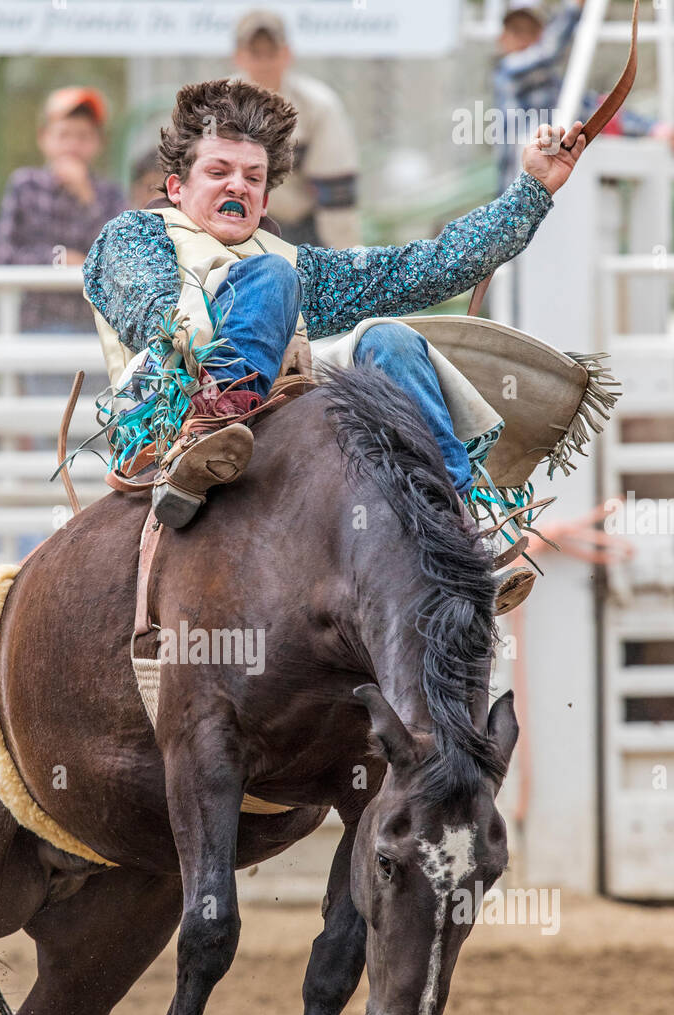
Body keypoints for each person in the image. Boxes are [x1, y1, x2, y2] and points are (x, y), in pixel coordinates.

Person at [83, 79, 585, 611]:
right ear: (177, 187)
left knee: (389, 339)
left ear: (266, 197)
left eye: (253, 178)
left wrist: (532, 189)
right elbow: (151, 312)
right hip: (170, 409)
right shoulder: (137, 234)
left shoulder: (295, 263)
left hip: (277, 407)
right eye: (218, 172)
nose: (239, 186)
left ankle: (455, 524)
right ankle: (206, 434)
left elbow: (425, 267)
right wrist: (237, 312)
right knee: (271, 277)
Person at [0, 86, 126, 401]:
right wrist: (60, 258)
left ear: (98, 143)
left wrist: (86, 197)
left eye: (83, 136)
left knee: (94, 424)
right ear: (44, 138)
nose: (73, 145)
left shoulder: (109, 195)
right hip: (40, 324)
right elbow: (4, 254)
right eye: (64, 134)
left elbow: (122, 255)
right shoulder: (24, 186)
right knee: (49, 425)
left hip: (99, 328)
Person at [495, 3, 674, 194]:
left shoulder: (543, 85)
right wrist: (574, 7)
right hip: (519, 190)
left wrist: (653, 129)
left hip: (524, 192)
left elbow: (593, 109)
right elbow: (549, 51)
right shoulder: (511, 72)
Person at [231, 8, 359, 248]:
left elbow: (336, 191)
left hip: (299, 228)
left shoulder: (318, 106)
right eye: (255, 52)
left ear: (287, 54)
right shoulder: (218, 104)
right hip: (230, 224)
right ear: (239, 56)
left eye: (271, 52)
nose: (264, 61)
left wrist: (345, 259)